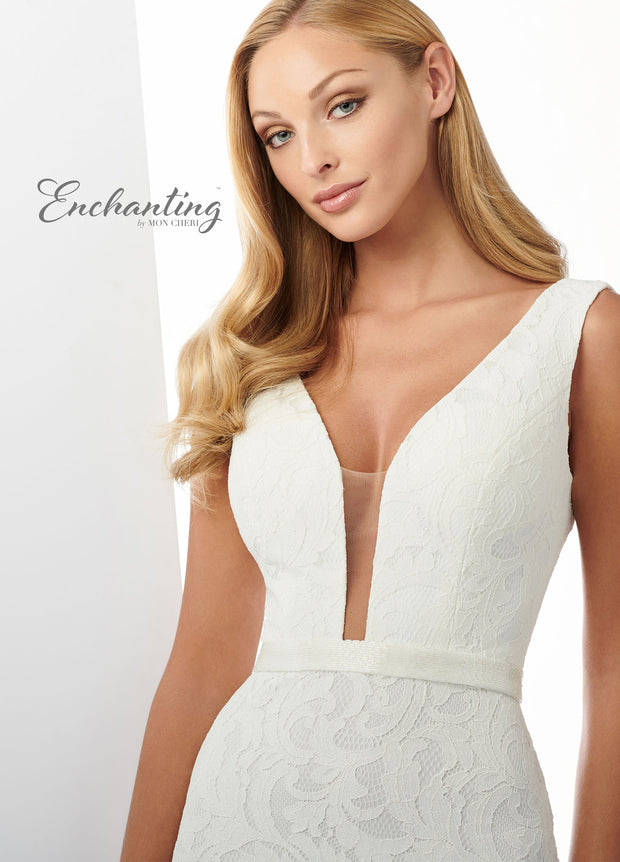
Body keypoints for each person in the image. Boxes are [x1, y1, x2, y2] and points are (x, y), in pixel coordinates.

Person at [120, 0, 620, 859]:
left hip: (470, 824)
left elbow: (614, 665)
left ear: (434, 81)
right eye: (278, 135)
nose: (312, 158)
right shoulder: (250, 355)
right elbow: (201, 665)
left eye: (343, 105)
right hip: (238, 822)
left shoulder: (580, 336)